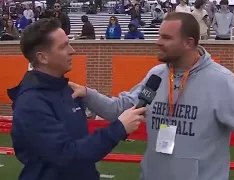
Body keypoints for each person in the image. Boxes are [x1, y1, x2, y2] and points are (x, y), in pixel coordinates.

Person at [69, 12, 234, 180]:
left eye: (166, 38)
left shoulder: (221, 81)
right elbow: (119, 109)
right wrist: (87, 94)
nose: (158, 42)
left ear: (189, 43)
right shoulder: (156, 75)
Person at [7, 18, 147, 180]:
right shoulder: (31, 103)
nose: (72, 50)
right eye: (63, 46)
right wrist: (119, 128)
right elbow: (67, 155)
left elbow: (82, 148)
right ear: (43, 57)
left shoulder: (68, 91)